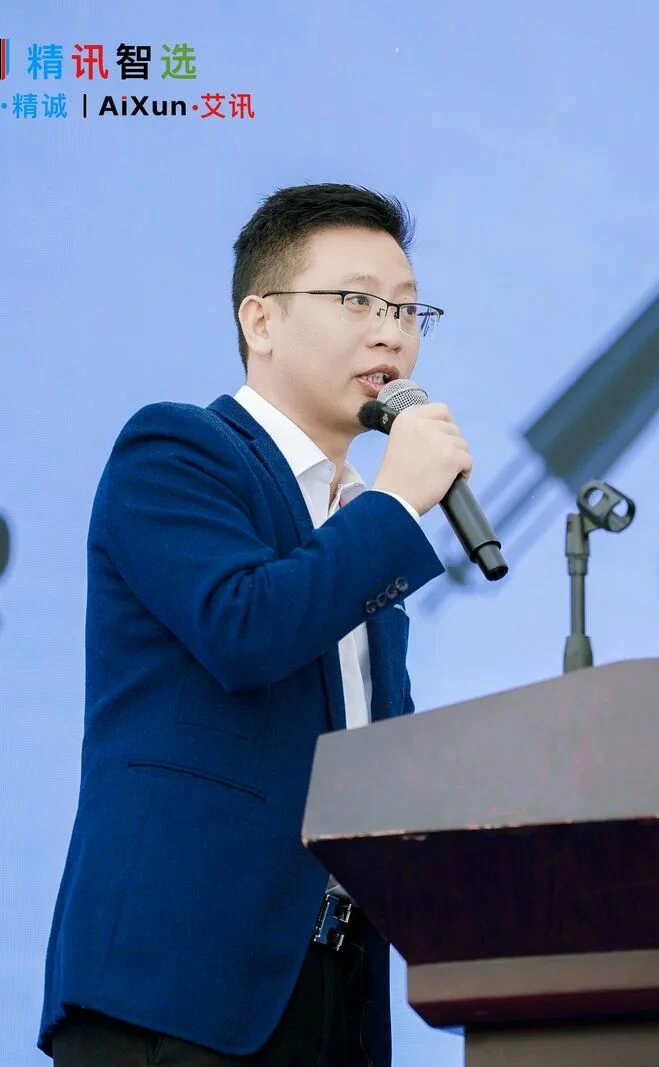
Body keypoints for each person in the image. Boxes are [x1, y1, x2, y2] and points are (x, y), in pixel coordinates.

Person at [38, 183, 471, 1065]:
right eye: (358, 301)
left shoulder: (355, 522)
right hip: (178, 985)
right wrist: (395, 502)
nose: (391, 333)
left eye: (407, 309)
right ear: (261, 319)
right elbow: (244, 629)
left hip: (332, 992)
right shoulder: (178, 451)